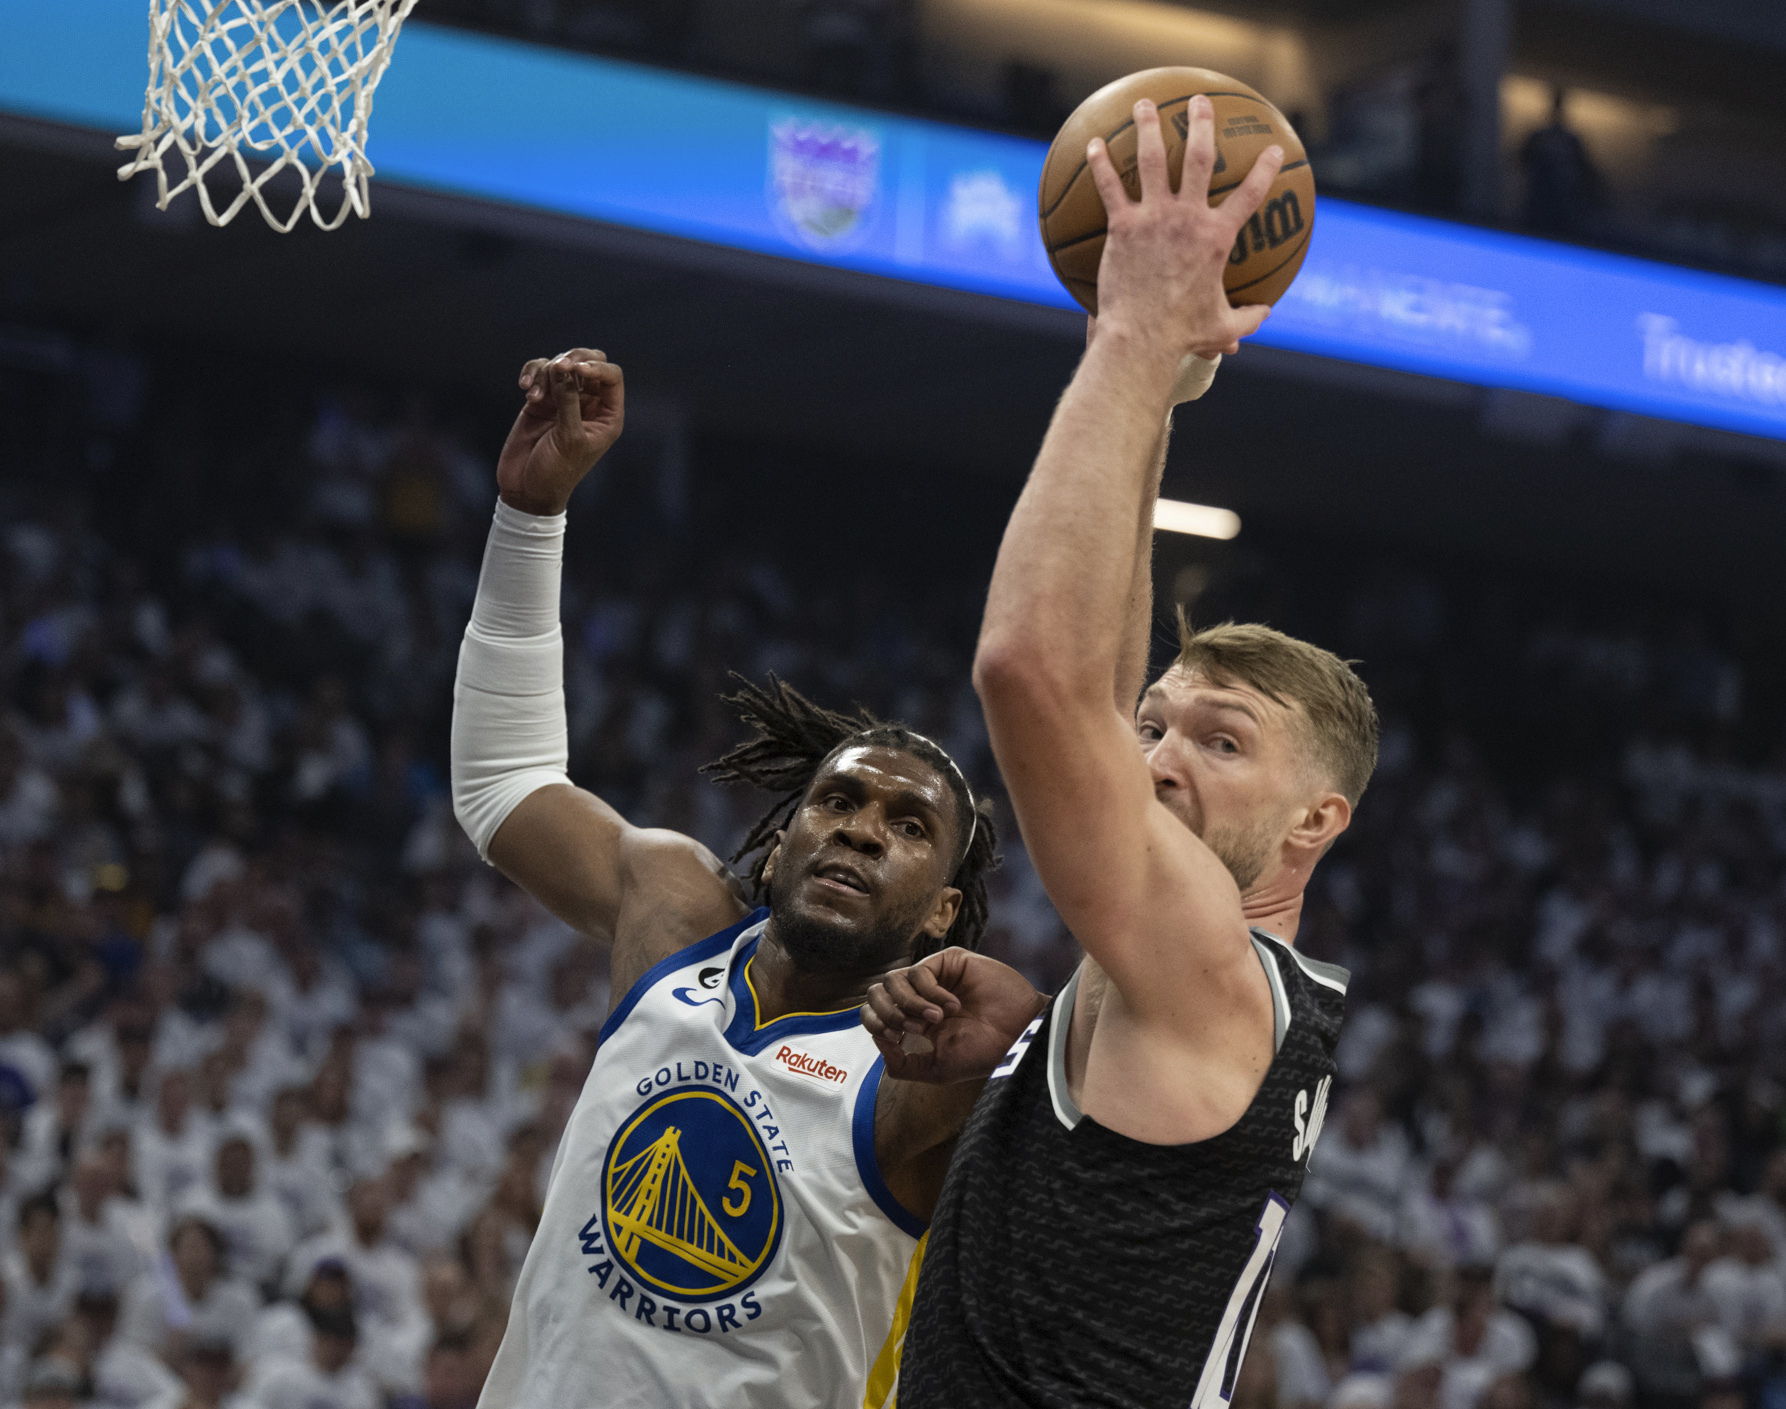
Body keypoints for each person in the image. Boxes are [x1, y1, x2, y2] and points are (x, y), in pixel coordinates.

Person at [870, 95, 1376, 1407]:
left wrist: (1139, 336)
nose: (1155, 757)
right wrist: (1163, 400)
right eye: (1156, 724)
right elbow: (1095, 687)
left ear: (1316, 821)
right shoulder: (1208, 988)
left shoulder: (1202, 961)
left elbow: (1035, 673)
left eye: (1221, 741)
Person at [449, 350, 1041, 1406]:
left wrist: (1036, 1052)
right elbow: (503, 784)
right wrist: (531, 516)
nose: (860, 830)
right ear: (777, 843)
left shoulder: (925, 1071)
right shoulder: (673, 916)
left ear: (943, 913)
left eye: (907, 825)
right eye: (837, 801)